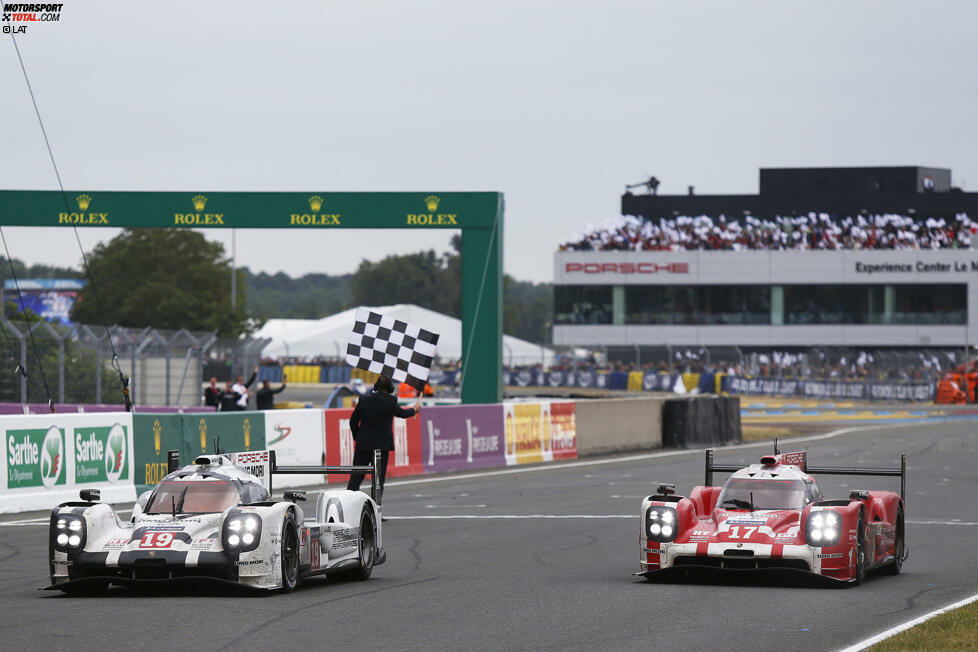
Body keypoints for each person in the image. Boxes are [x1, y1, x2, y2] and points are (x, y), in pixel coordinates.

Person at [346, 375, 422, 497]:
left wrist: (358, 437)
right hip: (381, 448)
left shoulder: (364, 399)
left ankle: (346, 508)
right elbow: (402, 413)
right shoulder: (390, 401)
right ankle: (375, 513)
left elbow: (353, 422)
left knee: (355, 480)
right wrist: (414, 410)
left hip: (363, 446)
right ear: (390, 388)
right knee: (377, 482)